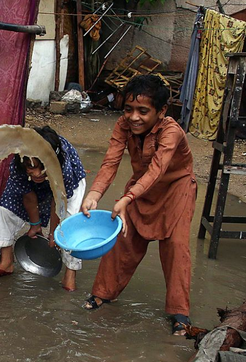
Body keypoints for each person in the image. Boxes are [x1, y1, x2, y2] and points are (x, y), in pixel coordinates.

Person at [79, 74, 197, 336]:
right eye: (129, 109)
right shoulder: (123, 126)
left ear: (161, 111)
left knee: (176, 247)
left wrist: (127, 198)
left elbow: (157, 170)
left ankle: (180, 312)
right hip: (138, 189)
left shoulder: (172, 131)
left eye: (143, 111)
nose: (134, 117)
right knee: (122, 238)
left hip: (175, 189)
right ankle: (102, 294)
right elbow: (111, 161)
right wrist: (94, 194)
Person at [0, 125, 87, 292]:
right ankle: (6, 261)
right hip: (33, 184)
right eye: (31, 168)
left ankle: (70, 272)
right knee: (6, 208)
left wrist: (53, 233)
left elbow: (58, 202)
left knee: (69, 224)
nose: (36, 173)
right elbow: (29, 196)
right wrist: (35, 225)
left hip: (65, 189)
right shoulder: (19, 162)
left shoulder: (63, 167)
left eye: (40, 167)